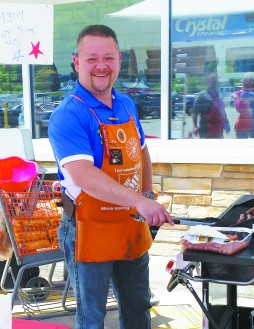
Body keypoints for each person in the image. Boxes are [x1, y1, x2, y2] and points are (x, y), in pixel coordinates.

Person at [48, 24, 174, 329]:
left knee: (138, 309)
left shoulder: (127, 104)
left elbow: (141, 151)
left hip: (129, 226)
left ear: (119, 60)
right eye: (91, 59)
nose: (101, 66)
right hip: (88, 228)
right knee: (92, 318)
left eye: (108, 58)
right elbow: (83, 175)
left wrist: (146, 194)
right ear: (77, 62)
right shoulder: (68, 115)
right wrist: (140, 202)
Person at [192, 72, 230, 138]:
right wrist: (195, 126)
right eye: (211, 81)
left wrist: (227, 122)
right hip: (205, 129)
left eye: (215, 81)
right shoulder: (201, 96)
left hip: (218, 129)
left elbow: (222, 111)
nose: (213, 83)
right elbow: (195, 113)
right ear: (207, 82)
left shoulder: (219, 95)